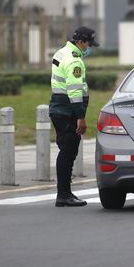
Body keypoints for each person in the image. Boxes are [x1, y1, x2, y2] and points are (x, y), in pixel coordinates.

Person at [49, 26, 99, 207]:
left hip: (58, 109)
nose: (88, 48)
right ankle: (63, 194)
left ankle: (65, 193)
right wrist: (80, 116)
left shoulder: (62, 52)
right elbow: (75, 89)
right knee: (68, 153)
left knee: (66, 151)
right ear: (80, 42)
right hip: (68, 111)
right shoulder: (74, 60)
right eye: (88, 44)